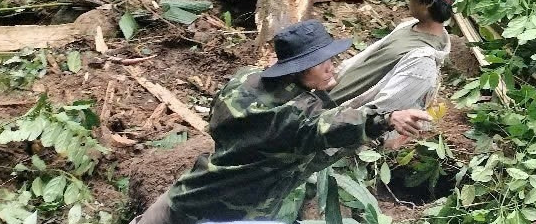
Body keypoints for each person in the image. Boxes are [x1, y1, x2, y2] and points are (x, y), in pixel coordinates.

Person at [130, 20, 430, 224]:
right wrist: (389, 117)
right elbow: (325, 126)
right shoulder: (294, 117)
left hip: (189, 193)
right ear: (298, 69)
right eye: (320, 61)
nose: (331, 65)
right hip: (231, 214)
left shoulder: (245, 80)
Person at [329, 0, 463, 139]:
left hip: (336, 122)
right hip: (328, 100)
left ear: (428, 2)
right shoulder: (409, 27)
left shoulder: (422, 64)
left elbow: (382, 109)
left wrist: (336, 126)